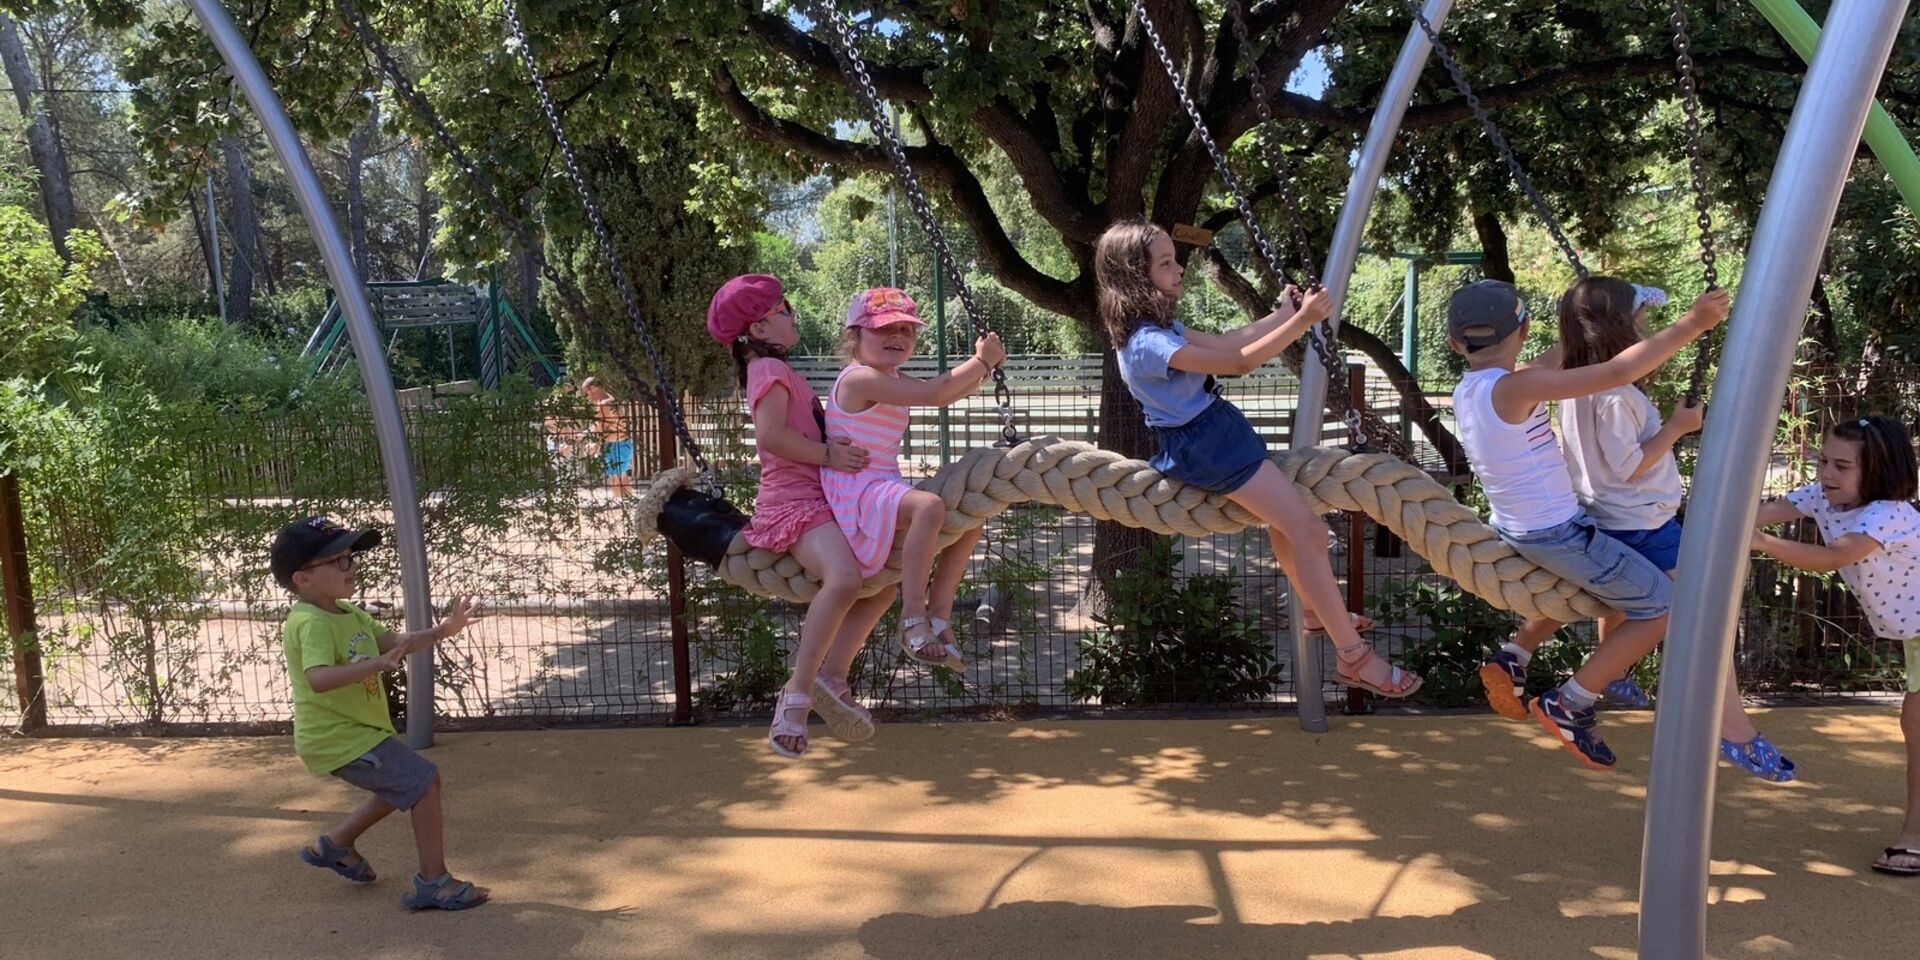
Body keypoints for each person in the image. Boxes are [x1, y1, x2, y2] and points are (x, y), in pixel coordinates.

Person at [1477, 279, 1794, 781]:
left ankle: (1537, 655)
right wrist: (1677, 428)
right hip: (1642, 522)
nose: (1645, 331)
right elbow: (1631, 465)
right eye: (1641, 323)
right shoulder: (1614, 395)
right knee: (1697, 612)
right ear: (1623, 331)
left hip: (1601, 516)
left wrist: (1588, 312)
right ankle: (1730, 729)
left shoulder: (1570, 383)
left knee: (1594, 592)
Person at [1095, 220, 1420, 698]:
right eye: (1165, 263)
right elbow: (1241, 363)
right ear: (1135, 277)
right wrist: (1302, 321)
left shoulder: (1159, 329)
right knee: (1308, 530)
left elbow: (1230, 342)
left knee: (1291, 528)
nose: (1179, 268)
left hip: (1215, 434)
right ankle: (1355, 658)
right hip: (1207, 444)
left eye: (1174, 258)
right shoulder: (1147, 343)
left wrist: (1279, 314)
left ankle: (1315, 610)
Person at [1446, 277, 1728, 768]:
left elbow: (1565, 357)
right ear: (1524, 329)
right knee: (1665, 608)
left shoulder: (1472, 389)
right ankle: (1570, 702)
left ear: (1454, 343)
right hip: (1558, 534)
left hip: (1519, 528)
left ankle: (1515, 655)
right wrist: (1693, 323)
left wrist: (1589, 317)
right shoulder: (1520, 385)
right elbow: (1620, 371)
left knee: (1596, 590)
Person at [707, 275, 899, 757]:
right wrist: (829, 456)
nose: (793, 314)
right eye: (785, 308)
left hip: (826, 499)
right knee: (844, 578)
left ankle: (833, 677)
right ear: (762, 325)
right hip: (794, 504)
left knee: (885, 583)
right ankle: (796, 695)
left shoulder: (777, 369)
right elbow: (771, 437)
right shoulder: (768, 370)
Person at [271, 516, 488, 910]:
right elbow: (318, 679)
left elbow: (396, 643)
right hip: (337, 737)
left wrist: (443, 631)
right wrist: (375, 665)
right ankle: (434, 882)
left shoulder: (347, 613)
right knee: (424, 781)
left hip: (355, 732)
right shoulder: (311, 621)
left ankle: (335, 845)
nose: (351, 566)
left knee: (401, 785)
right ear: (302, 579)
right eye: (338, 561)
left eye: (350, 557)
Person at [1751, 414, 1920, 873]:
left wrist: (1755, 539)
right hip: (1915, 635)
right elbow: (1762, 510)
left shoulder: (1889, 513)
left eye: (1841, 466)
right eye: (1823, 460)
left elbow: (1831, 558)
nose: (1826, 472)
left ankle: (1915, 836)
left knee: (1917, 725)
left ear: (1879, 469)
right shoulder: (1823, 498)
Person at [822, 287, 1003, 671]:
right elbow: (936, 394)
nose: (898, 337)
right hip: (856, 492)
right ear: (853, 337)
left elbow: (946, 393)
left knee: (974, 511)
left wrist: (984, 368)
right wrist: (981, 362)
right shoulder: (859, 379)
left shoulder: (890, 378)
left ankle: (939, 615)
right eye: (884, 329)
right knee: (930, 505)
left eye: (906, 330)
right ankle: (912, 616)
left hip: (882, 487)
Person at [581, 377, 634, 498]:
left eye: (586, 393)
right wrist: (584, 433)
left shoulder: (604, 404)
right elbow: (600, 425)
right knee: (621, 478)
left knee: (615, 480)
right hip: (621, 444)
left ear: (593, 388)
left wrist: (595, 446)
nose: (587, 397)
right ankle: (628, 504)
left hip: (616, 445)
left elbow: (602, 430)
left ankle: (622, 506)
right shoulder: (610, 399)